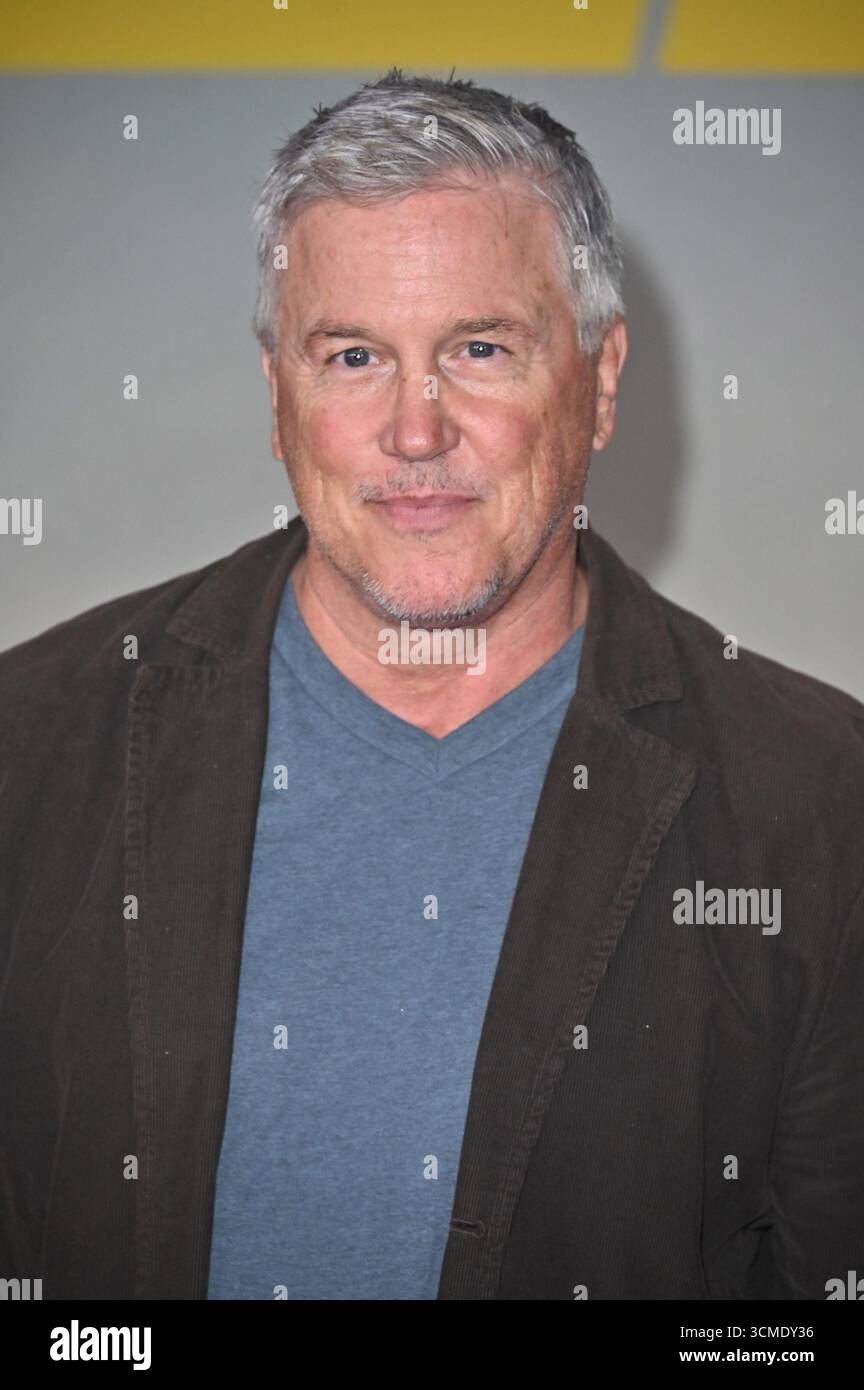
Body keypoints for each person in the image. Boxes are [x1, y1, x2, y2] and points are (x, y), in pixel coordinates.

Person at [1, 69, 862, 1302]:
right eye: (354, 355)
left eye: (479, 349)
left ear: (601, 379)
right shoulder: (29, 745)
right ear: (278, 395)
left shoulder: (822, 805)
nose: (416, 430)